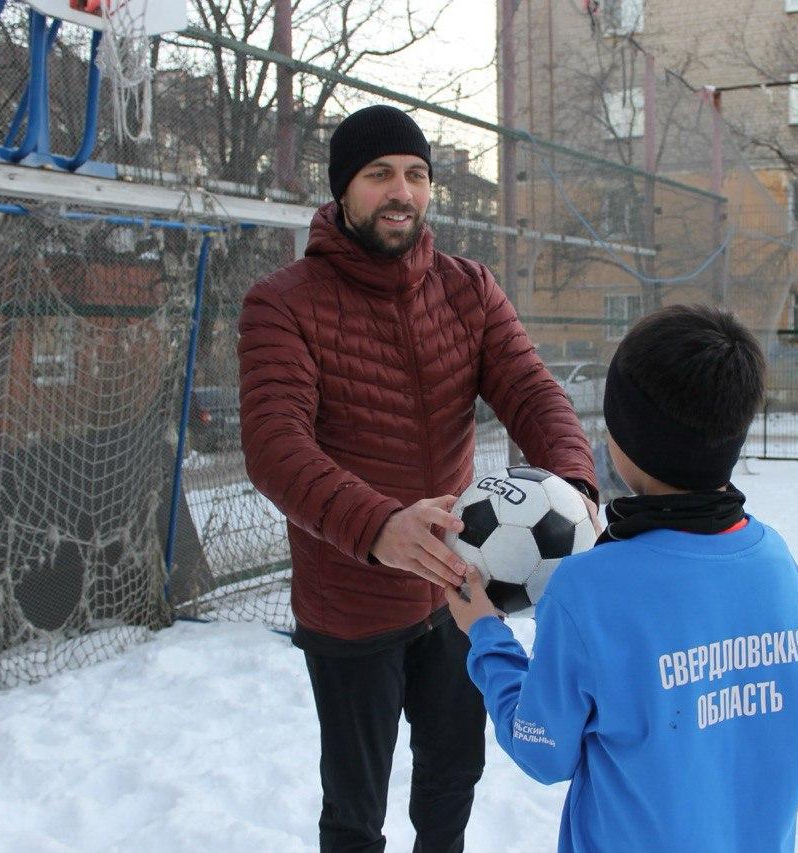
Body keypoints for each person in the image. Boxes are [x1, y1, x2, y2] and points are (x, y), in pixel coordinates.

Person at [237, 104, 599, 853]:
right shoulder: (283, 303)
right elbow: (275, 446)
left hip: (459, 591)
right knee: (354, 806)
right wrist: (378, 527)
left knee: (453, 774)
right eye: (379, 175)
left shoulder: (468, 288)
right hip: (350, 599)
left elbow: (534, 394)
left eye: (415, 174)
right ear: (343, 190)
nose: (400, 191)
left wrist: (576, 491)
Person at [447, 304, 798, 853]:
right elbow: (788, 691)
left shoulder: (588, 588)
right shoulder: (777, 563)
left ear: (624, 438)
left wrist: (485, 635)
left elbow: (543, 747)